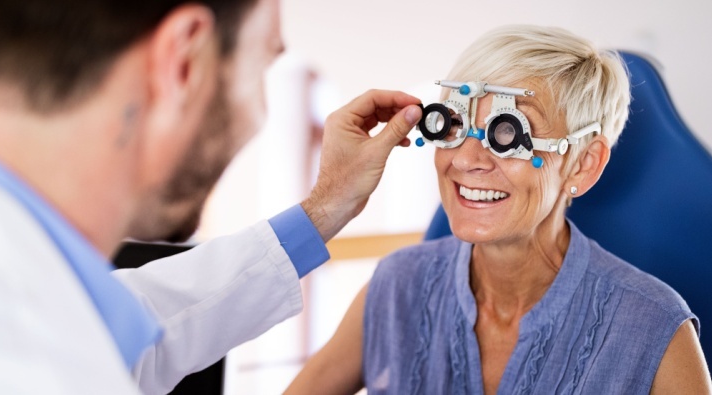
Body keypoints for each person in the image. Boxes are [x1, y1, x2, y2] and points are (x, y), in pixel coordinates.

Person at [0, 0, 424, 393]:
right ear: (184, 60)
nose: (259, 112)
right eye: (263, 64)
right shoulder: (15, 364)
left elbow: (135, 319)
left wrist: (322, 211)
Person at [286, 25, 712, 394]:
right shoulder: (397, 286)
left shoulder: (658, 332)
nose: (467, 159)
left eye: (506, 132)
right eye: (451, 123)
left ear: (584, 164)